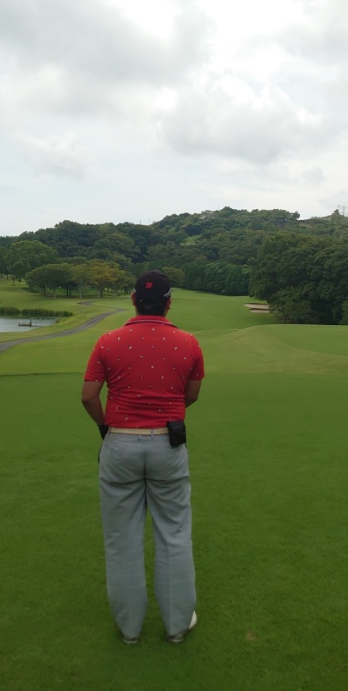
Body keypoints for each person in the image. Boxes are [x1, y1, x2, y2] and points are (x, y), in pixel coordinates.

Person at [81, 269, 204, 644]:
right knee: (174, 534)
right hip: (168, 444)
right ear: (169, 303)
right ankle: (177, 627)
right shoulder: (189, 342)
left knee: (122, 539)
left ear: (134, 299)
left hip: (120, 443)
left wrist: (105, 426)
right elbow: (191, 395)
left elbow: (88, 396)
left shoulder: (108, 341)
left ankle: (130, 630)